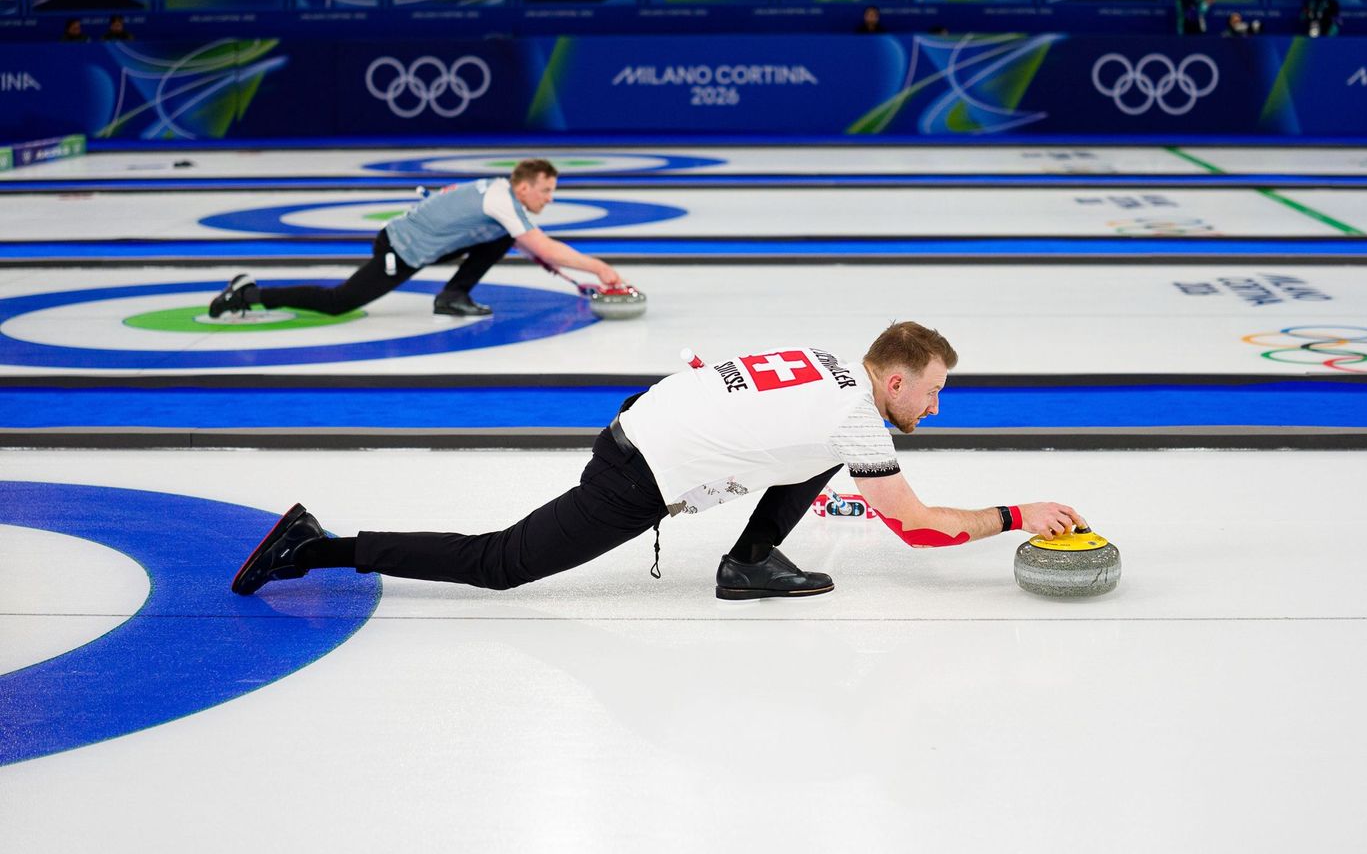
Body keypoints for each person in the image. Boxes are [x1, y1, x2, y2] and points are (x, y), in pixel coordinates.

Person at [230, 321, 1088, 599]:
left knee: (822, 460)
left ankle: (747, 563)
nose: (934, 408)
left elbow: (732, 394)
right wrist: (1020, 515)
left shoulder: (832, 368)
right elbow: (921, 531)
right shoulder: (860, 418)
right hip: (637, 468)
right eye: (930, 393)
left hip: (647, 416)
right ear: (894, 378)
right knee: (501, 564)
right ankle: (316, 547)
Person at [208, 160, 621, 321]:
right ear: (525, 186)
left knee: (503, 239)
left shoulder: (503, 197)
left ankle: (452, 296)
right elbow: (544, 246)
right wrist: (599, 269)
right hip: (400, 250)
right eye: (546, 190)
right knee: (339, 303)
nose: (549, 198)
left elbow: (532, 244)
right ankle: (250, 294)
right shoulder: (502, 199)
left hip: (425, 243)